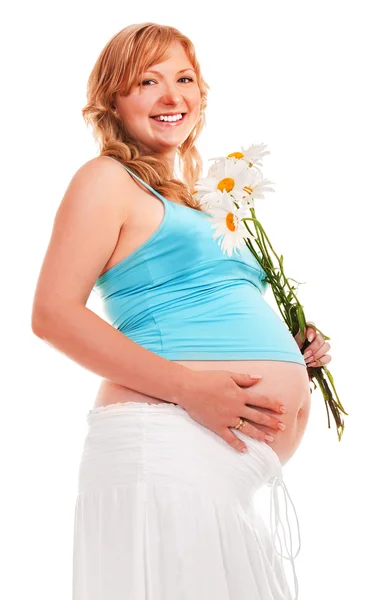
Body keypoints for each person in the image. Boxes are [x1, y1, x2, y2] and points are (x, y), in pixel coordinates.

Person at [31, 22, 332, 600]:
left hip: (214, 469)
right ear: (113, 101)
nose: (173, 97)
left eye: (184, 78)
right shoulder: (106, 179)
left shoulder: (194, 198)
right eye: (148, 80)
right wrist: (190, 389)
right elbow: (52, 314)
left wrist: (288, 352)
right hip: (164, 447)